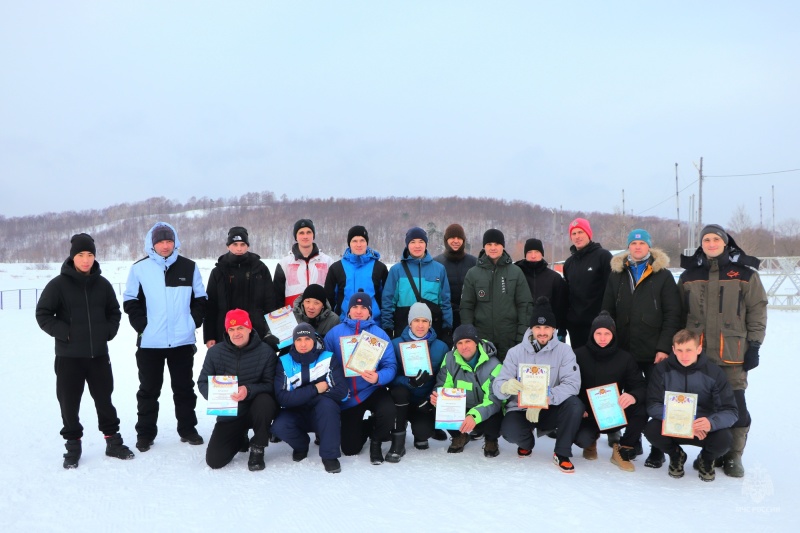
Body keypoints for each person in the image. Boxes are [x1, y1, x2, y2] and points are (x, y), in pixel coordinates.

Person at [36, 233, 135, 468]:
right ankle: (72, 446)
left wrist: (108, 332)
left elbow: (114, 312)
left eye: (90, 255)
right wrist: (65, 333)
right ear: (73, 257)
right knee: (69, 403)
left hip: (98, 356)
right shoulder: (58, 285)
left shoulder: (102, 284)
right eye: (81, 255)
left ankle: (113, 442)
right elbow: (43, 314)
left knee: (104, 400)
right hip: (69, 358)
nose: (86, 260)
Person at [678, 224, 767, 478]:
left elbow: (758, 312)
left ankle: (733, 456)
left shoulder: (745, 275)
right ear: (701, 244)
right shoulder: (689, 277)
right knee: (703, 407)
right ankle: (711, 453)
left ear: (725, 243)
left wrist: (755, 345)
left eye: (716, 239)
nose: (711, 243)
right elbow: (678, 315)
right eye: (706, 239)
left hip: (733, 355)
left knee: (736, 407)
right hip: (698, 357)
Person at [123, 221, 208, 452]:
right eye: (160, 241)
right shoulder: (139, 269)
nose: (165, 245)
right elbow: (130, 301)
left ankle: (188, 429)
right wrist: (143, 326)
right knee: (149, 390)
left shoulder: (189, 267)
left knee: (184, 389)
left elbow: (201, 299)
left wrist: (192, 322)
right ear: (152, 244)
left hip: (182, 341)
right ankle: (145, 434)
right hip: (150, 343)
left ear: (175, 242)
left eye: (169, 241)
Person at [602, 228, 680, 467]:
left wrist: (664, 347)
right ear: (628, 247)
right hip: (625, 349)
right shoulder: (617, 273)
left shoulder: (663, 275)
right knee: (628, 397)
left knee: (655, 398)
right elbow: (607, 311)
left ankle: (657, 448)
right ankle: (632, 441)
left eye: (641, 244)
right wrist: (611, 343)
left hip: (653, 351)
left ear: (649, 247)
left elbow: (673, 314)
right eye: (633, 244)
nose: (637, 247)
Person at [493, 297, 583, 473]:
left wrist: (546, 399)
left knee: (575, 405)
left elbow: (572, 384)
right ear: (531, 329)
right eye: (538, 328)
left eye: (547, 328)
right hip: (521, 408)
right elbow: (498, 384)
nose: (542, 332)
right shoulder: (515, 352)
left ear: (554, 330)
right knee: (510, 432)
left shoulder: (564, 351)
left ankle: (561, 453)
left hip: (550, 406)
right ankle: (526, 442)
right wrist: (505, 387)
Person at [644, 329, 738, 482]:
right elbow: (653, 404)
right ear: (673, 349)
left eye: (689, 350)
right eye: (679, 350)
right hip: (675, 426)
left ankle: (706, 459)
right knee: (651, 429)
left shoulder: (714, 372)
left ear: (699, 349)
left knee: (725, 438)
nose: (684, 355)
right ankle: (676, 456)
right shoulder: (662, 370)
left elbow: (730, 411)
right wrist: (684, 423)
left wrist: (710, 423)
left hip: (702, 428)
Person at [198, 309, 278, 471]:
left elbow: (271, 385)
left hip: (256, 409)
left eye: (240, 328)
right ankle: (239, 437)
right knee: (215, 460)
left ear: (249, 328)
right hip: (230, 413)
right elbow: (202, 382)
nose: (236, 333)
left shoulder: (266, 352)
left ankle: (258, 446)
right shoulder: (215, 352)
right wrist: (218, 395)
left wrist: (248, 390)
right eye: (232, 329)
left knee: (265, 401)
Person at [323, 292, 397, 464]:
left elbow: (391, 366)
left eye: (363, 307)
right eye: (355, 307)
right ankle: (369, 425)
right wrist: (338, 385)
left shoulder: (379, 335)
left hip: (371, 389)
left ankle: (377, 441)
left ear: (370, 312)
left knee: (388, 412)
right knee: (349, 449)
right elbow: (325, 366)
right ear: (348, 311)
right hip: (347, 395)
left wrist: (378, 377)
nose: (358, 311)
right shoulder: (334, 334)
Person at [573, 311, 647, 472]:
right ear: (592, 334)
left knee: (641, 408)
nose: (602, 338)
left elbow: (640, 386)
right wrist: (580, 406)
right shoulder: (578, 355)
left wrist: (632, 396)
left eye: (607, 333)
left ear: (613, 334)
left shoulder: (625, 358)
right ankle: (590, 442)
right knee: (582, 438)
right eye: (598, 333)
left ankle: (623, 449)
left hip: (615, 411)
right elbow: (570, 385)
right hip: (588, 413)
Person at [272, 323, 348, 473]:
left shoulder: (328, 358)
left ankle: (330, 456)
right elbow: (282, 398)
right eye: (299, 340)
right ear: (293, 342)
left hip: (320, 411)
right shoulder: (284, 361)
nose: (303, 344)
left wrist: (300, 396)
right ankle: (301, 445)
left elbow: (342, 392)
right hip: (296, 411)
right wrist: (315, 389)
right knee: (279, 426)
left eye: (307, 338)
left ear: (314, 340)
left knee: (328, 406)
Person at [387, 303, 449, 459]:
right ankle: (398, 443)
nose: (420, 325)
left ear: (430, 323)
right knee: (399, 393)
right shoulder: (395, 344)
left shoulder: (441, 347)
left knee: (423, 431)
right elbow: (390, 376)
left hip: (423, 401)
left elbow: (445, 378)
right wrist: (409, 382)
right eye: (416, 321)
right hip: (402, 398)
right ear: (410, 323)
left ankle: (420, 433)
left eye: (424, 321)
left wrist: (430, 398)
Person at [460, 228, 532, 361]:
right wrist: (469, 336)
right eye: (489, 244)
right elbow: (466, 307)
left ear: (503, 246)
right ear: (484, 247)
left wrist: (521, 336)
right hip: (482, 339)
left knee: (509, 380)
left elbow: (525, 306)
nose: (493, 248)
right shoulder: (473, 273)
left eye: (497, 244)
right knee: (484, 378)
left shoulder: (515, 272)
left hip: (509, 339)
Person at [430, 324, 503, 457]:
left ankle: (491, 440)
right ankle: (460, 436)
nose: (464, 346)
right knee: (438, 407)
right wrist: (439, 397)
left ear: (476, 342)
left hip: (484, 409)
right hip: (461, 406)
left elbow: (493, 400)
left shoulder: (494, 365)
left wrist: (474, 416)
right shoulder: (450, 358)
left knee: (495, 419)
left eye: (468, 341)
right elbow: (443, 384)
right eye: (460, 343)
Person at [204, 226, 276, 348]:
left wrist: (271, 333)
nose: (239, 248)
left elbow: (270, 303)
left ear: (247, 246)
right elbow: (211, 306)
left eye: (242, 244)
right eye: (235, 244)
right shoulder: (218, 272)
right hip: (225, 332)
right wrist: (209, 336)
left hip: (256, 331)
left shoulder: (260, 269)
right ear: (228, 246)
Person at [382, 226, 453, 340]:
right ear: (407, 245)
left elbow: (445, 301)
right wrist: (388, 327)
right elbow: (388, 301)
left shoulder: (439, 269)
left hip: (432, 326)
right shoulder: (396, 270)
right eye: (413, 242)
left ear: (426, 244)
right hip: (403, 325)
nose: (417, 245)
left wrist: (447, 327)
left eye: (421, 241)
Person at [563, 218, 612, 349]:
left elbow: (612, 291)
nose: (577, 237)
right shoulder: (569, 263)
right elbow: (568, 294)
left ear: (588, 234)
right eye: (574, 234)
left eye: (581, 232)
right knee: (579, 366)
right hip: (575, 327)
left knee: (598, 366)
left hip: (598, 326)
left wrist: (606, 319)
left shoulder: (603, 256)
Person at [325, 225, 388, 321]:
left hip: (373, 325)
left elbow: (386, 299)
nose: (359, 244)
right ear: (349, 243)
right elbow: (329, 300)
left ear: (367, 243)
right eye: (354, 241)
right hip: (344, 324)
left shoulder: (379, 268)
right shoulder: (337, 268)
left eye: (362, 240)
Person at [515, 238, 568, 342]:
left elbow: (561, 307)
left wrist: (560, 328)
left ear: (542, 254)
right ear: (525, 254)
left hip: (548, 332)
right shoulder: (517, 275)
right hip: (522, 331)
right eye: (529, 252)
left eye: (537, 252)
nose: (533, 255)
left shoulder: (554, 278)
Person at [274, 219, 333, 307]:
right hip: (293, 316)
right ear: (296, 237)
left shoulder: (327, 261)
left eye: (308, 232)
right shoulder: (284, 264)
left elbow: (333, 293)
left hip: (321, 315)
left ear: (313, 235)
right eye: (301, 233)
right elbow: (277, 296)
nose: (305, 236)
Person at [433, 223, 478, 331]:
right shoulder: (436, 263)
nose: (456, 241)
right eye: (452, 237)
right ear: (446, 240)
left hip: (470, 317)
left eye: (459, 238)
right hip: (445, 317)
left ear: (463, 240)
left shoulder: (474, 262)